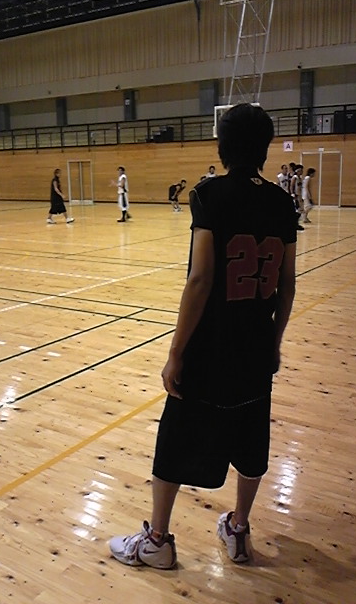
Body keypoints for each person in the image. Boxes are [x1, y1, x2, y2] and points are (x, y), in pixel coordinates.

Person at [109, 103, 296, 569]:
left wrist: (175, 353)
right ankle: (239, 530)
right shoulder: (282, 202)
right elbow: (288, 283)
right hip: (256, 346)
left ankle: (157, 541)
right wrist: (274, 343)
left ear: (223, 146)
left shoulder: (209, 194)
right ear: (265, 148)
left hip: (211, 347)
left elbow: (200, 278)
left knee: (175, 437)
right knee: (251, 440)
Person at [290, 164, 305, 231]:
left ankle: (296, 223)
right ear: (298, 171)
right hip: (296, 195)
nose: (302, 171)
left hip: (299, 195)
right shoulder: (295, 177)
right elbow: (291, 186)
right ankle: (295, 224)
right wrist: (292, 193)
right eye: (301, 170)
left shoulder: (300, 178)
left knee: (300, 210)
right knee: (297, 210)